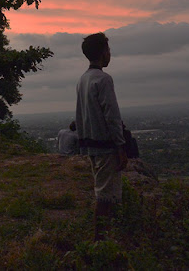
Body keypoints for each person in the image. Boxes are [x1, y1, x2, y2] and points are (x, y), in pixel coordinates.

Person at [75, 32, 127, 241]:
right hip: (105, 146)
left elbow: (81, 114)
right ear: (103, 53)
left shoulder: (83, 79)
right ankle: (100, 243)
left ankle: (104, 238)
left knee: (102, 193)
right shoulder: (103, 79)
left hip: (90, 145)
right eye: (108, 50)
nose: (109, 54)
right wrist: (121, 146)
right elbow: (112, 115)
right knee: (105, 198)